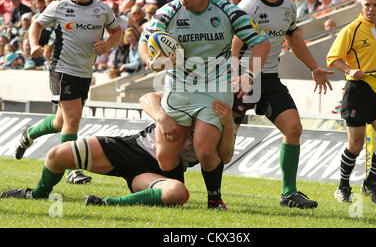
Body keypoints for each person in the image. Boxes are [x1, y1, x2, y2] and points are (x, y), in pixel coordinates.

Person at [138, 0, 270, 210]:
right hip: (179, 86)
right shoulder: (168, 12)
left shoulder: (228, 11)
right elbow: (145, 42)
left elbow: (261, 43)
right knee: (166, 153)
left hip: (216, 86)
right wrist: (152, 62)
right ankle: (176, 195)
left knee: (205, 148)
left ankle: (214, 199)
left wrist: (249, 75)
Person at [0, 92, 235, 208]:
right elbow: (147, 98)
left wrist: (226, 123)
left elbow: (225, 156)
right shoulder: (188, 92)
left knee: (176, 192)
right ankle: (38, 193)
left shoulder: (222, 115)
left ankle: (107, 202)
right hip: (132, 147)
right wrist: (162, 118)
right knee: (56, 155)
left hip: (163, 171)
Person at [232, 0, 333, 209]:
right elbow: (234, 46)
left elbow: (294, 38)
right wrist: (235, 78)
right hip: (242, 76)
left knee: (294, 128)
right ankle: (204, 191)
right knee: (222, 145)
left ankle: (289, 194)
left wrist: (314, 67)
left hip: (268, 78)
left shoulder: (288, 6)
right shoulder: (248, 7)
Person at [15, 0, 123, 185]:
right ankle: (70, 170)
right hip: (62, 69)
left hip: (85, 72)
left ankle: (29, 133)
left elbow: (117, 31)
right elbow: (36, 24)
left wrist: (108, 44)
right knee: (73, 118)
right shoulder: (59, 7)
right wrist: (35, 43)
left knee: (61, 121)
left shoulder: (102, 9)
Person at [326, 0, 376, 205]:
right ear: (361, 6)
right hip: (357, 91)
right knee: (355, 145)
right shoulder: (351, 30)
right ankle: (343, 186)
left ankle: (370, 182)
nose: (371, 9)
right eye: (367, 5)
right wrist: (349, 70)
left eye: (375, 5)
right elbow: (333, 58)